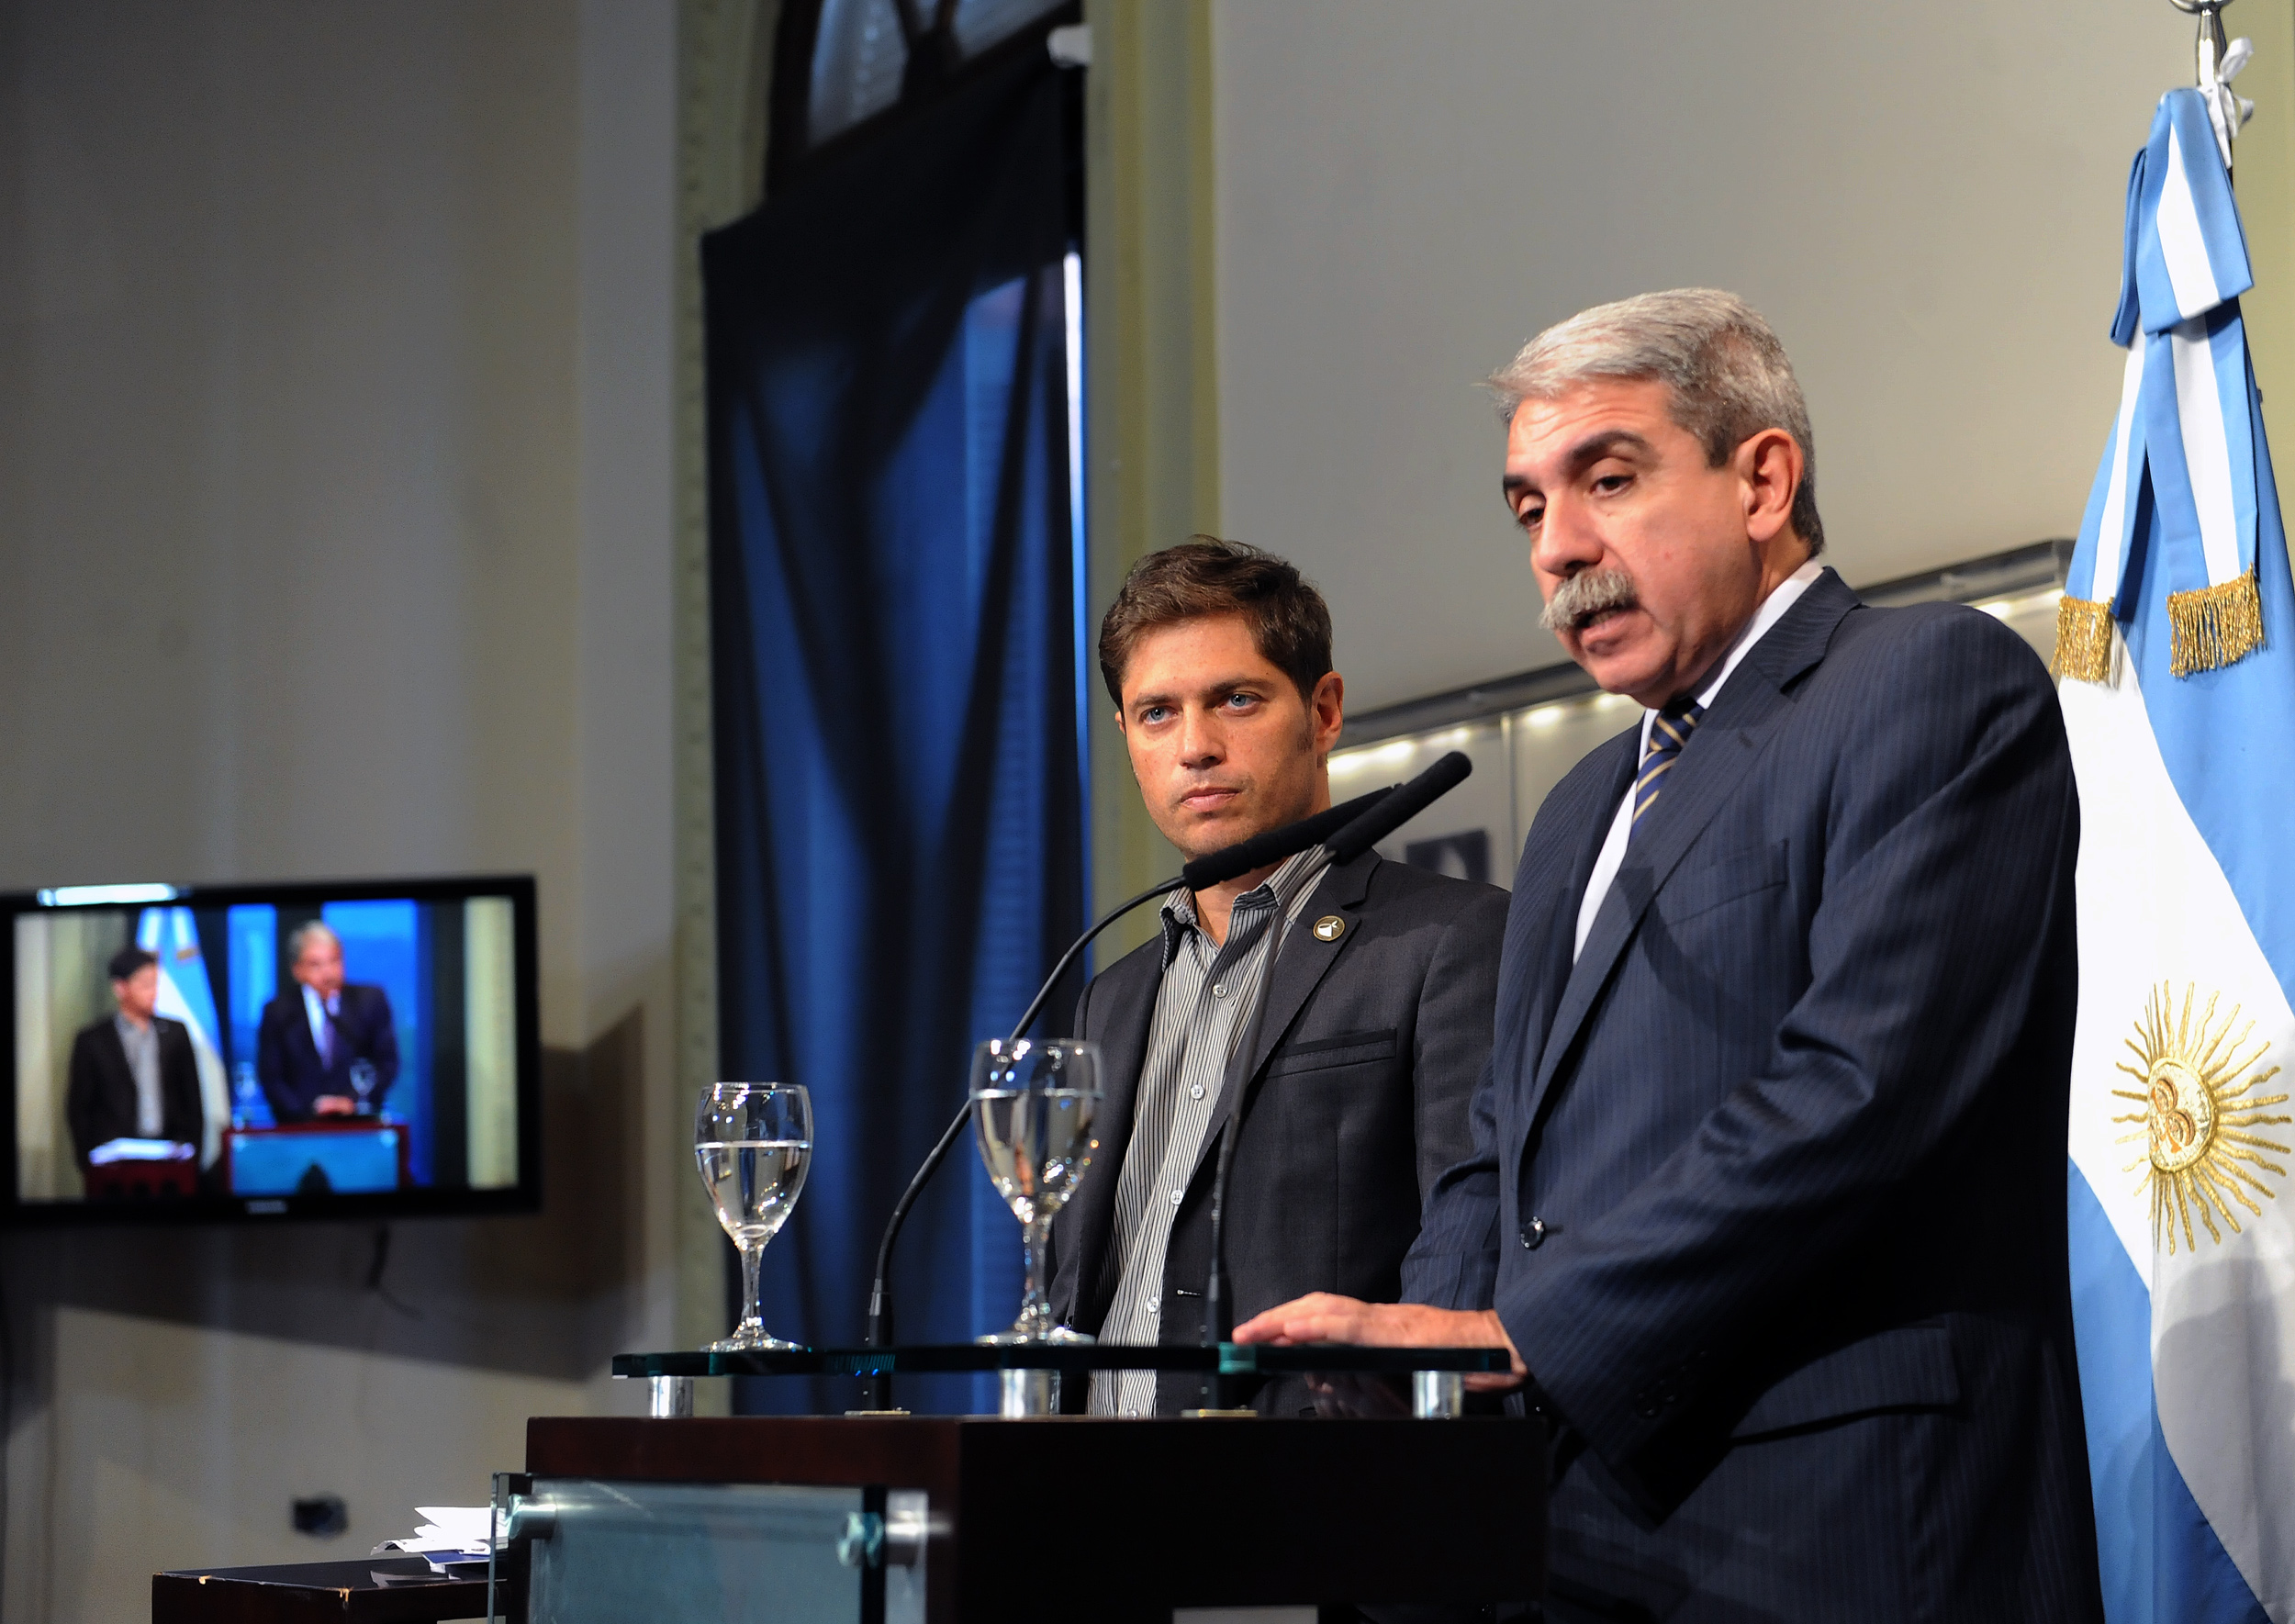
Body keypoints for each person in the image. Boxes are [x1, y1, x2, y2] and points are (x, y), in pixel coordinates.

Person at [1235, 290, 2102, 1619]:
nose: (1558, 547)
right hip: (1582, 1525)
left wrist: (1526, 1333)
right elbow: (1492, 1148)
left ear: (1763, 478)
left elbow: (1858, 1093)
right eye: (1528, 507)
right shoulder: (1587, 801)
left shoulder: (1932, 684)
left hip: (1844, 1517)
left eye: (1610, 479)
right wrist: (1423, 1380)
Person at [1048, 539, 1510, 1418]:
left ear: (1324, 709)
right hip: (1094, 1507)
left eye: (1236, 699)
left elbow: (1468, 1259)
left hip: (1314, 1502)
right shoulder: (1110, 995)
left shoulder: (1450, 938)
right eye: (1156, 713)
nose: (1196, 747)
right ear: (1125, 736)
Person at [66, 946, 205, 1170]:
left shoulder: (176, 1033)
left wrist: (192, 1152)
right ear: (120, 988)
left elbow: (192, 1099)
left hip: (171, 1158)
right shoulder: (92, 1040)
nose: (154, 992)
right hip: (113, 1163)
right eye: (145, 984)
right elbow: (79, 1108)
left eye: (156, 983)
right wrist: (88, 1163)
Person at [256, 922, 399, 1123]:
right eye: (316, 964)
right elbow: (271, 1078)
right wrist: (309, 1111)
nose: (328, 973)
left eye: (334, 961)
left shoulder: (370, 1001)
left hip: (360, 1127)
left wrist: (353, 1101)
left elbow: (387, 1064)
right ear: (297, 970)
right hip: (299, 1129)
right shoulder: (278, 1013)